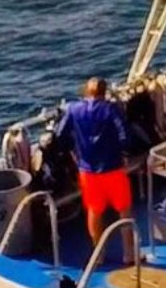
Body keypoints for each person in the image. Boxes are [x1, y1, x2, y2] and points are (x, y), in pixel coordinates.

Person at [55, 77, 136, 264]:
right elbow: (124, 133)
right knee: (124, 210)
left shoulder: (73, 110)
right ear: (104, 92)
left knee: (94, 210)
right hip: (113, 168)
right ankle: (129, 254)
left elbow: (60, 135)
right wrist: (124, 151)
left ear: (86, 91)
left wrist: (74, 153)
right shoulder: (111, 109)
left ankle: (98, 254)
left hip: (87, 170)